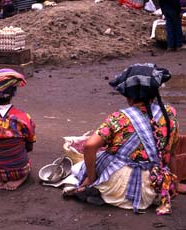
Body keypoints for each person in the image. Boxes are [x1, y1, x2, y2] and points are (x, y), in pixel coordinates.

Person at [71, 63, 180, 215]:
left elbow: (89, 146)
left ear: (129, 97)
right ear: (155, 94)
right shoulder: (169, 114)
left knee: (78, 169)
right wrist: (174, 183)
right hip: (153, 189)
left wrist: (91, 178)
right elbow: (171, 154)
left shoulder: (120, 118)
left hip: (119, 188)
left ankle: (97, 190)